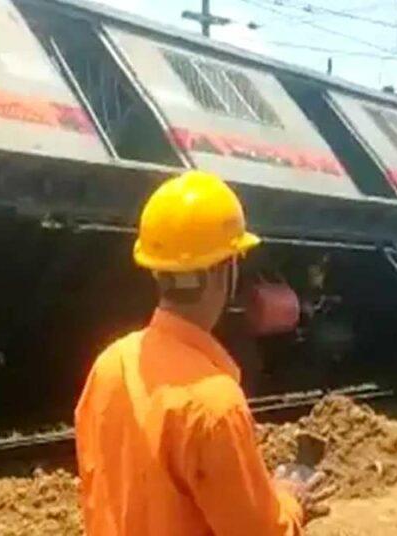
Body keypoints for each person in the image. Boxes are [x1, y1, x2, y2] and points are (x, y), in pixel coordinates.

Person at [75, 171, 318, 535]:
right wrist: (288, 498)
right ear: (227, 268)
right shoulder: (214, 406)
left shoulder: (111, 364)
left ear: (157, 271)